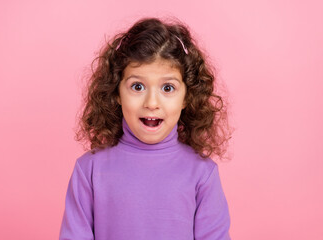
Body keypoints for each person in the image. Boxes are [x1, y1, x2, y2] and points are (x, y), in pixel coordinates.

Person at [59, 17, 232, 240]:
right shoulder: (89, 170)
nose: (151, 102)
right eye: (137, 86)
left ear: (187, 97)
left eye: (168, 88)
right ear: (116, 93)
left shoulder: (202, 174)